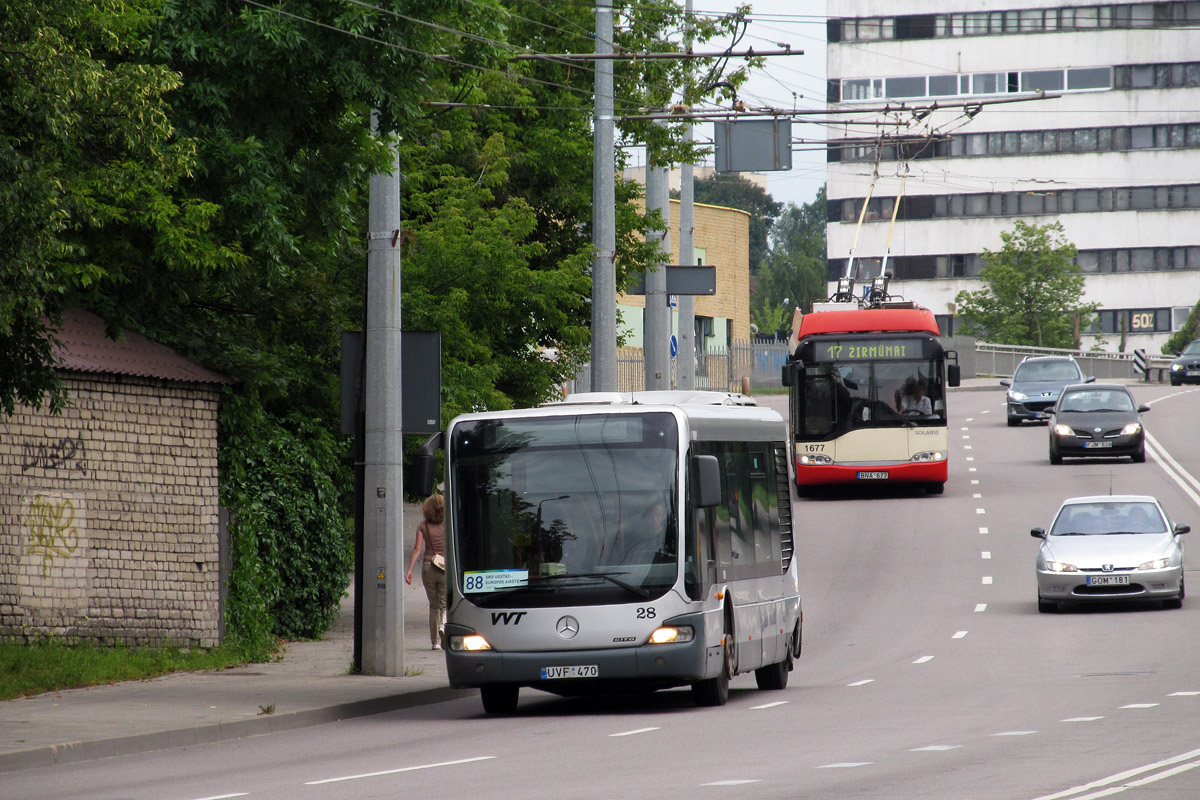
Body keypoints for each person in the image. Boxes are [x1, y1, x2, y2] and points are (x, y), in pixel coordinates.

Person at [405, 494, 446, 650]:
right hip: (444, 566)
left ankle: (435, 642)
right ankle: (443, 625)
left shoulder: (423, 526)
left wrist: (409, 570)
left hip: (428, 567)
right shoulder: (447, 524)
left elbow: (417, 549)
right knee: (444, 603)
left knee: (433, 605)